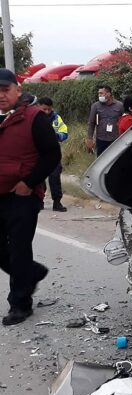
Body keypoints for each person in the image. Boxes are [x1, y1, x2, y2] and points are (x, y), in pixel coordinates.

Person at [0, 69, 61, 326]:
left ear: (17, 90)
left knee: (19, 248)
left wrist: (30, 182)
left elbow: (51, 155)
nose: (1, 95)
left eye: (5, 90)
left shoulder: (34, 118)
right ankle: (32, 273)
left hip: (23, 195)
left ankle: (20, 304)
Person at [37, 97, 69, 212]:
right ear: (38, 107)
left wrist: (58, 136)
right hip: (37, 153)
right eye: (44, 109)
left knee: (55, 177)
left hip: (53, 153)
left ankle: (57, 202)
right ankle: (39, 201)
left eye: (49, 109)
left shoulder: (56, 118)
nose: (47, 112)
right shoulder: (33, 118)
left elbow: (65, 132)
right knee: (39, 178)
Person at [86, 85, 123, 156]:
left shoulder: (119, 105)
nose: (99, 95)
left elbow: (124, 120)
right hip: (101, 139)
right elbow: (91, 123)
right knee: (101, 159)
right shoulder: (95, 106)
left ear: (109, 94)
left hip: (115, 139)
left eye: (101, 93)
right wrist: (89, 139)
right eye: (98, 93)